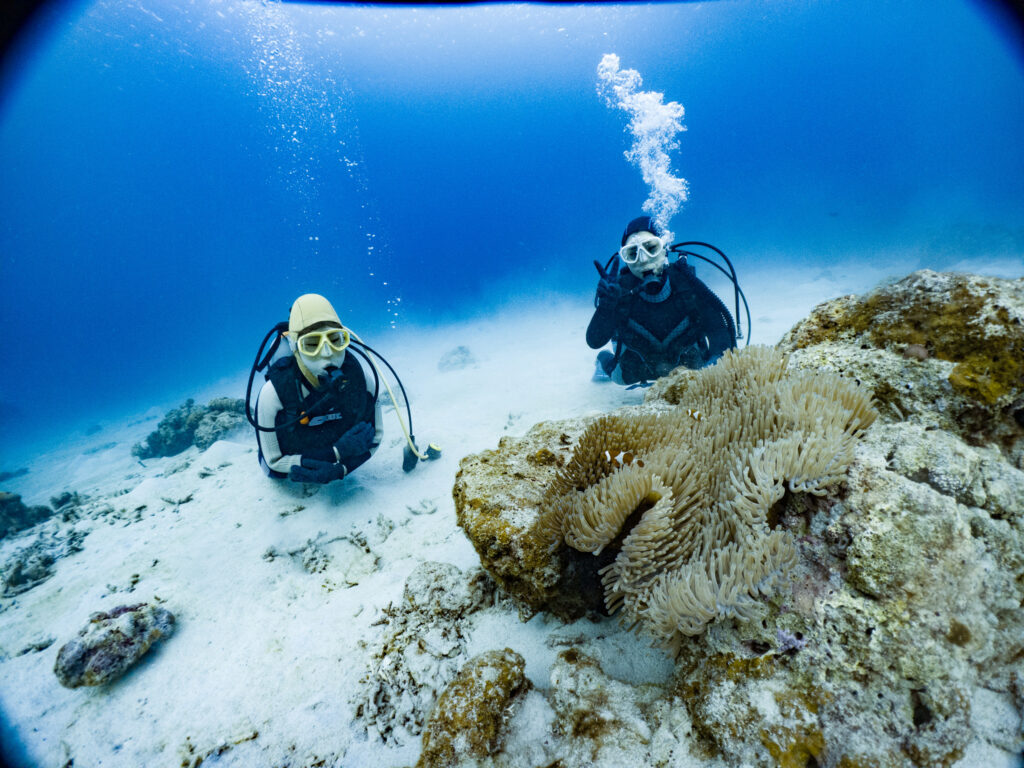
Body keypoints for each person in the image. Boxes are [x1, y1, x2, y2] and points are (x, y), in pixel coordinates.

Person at [587, 216, 737, 386]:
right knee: (619, 377)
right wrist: (605, 309)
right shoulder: (618, 294)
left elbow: (718, 331)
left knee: (700, 363)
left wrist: (711, 372)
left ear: (664, 249)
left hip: (689, 367)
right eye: (632, 254)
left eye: (651, 248)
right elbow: (594, 341)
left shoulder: (687, 284)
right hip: (635, 369)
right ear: (625, 260)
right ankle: (602, 361)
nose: (643, 260)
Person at [255, 293, 382, 484]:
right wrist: (334, 454)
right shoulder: (272, 394)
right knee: (275, 476)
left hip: (328, 441)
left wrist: (342, 469)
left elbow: (376, 437)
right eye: (312, 344)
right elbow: (272, 461)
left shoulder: (363, 380)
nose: (328, 353)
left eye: (336, 340)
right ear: (295, 347)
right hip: (300, 447)